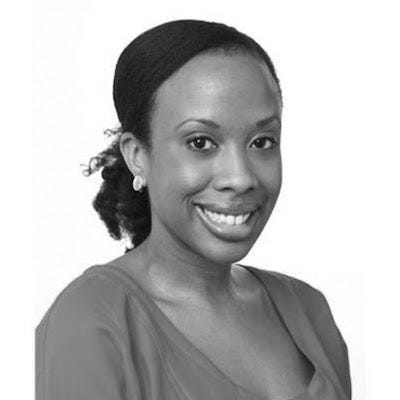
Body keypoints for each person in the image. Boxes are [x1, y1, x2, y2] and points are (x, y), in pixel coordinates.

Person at [35, 19, 352, 400]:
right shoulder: (92, 322)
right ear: (137, 156)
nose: (240, 177)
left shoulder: (309, 310)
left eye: (262, 141)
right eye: (200, 142)